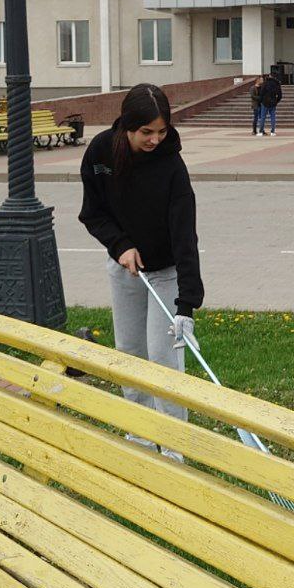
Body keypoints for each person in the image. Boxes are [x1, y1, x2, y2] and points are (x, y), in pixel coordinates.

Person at [78, 83, 204, 462]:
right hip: (126, 268)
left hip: (165, 272)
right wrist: (120, 246)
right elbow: (93, 213)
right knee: (129, 352)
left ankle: (174, 448)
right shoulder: (101, 152)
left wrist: (186, 305)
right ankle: (142, 437)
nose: (155, 139)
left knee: (162, 357)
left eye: (161, 131)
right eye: (146, 132)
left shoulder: (172, 168)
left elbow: (185, 238)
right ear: (127, 125)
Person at [258, 71, 283, 136]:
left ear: (270, 76)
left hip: (264, 102)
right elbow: (280, 95)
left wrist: (260, 101)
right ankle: (272, 132)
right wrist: (276, 101)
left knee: (263, 117)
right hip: (273, 102)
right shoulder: (277, 84)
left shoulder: (265, 83)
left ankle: (261, 131)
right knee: (273, 117)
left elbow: (261, 93)